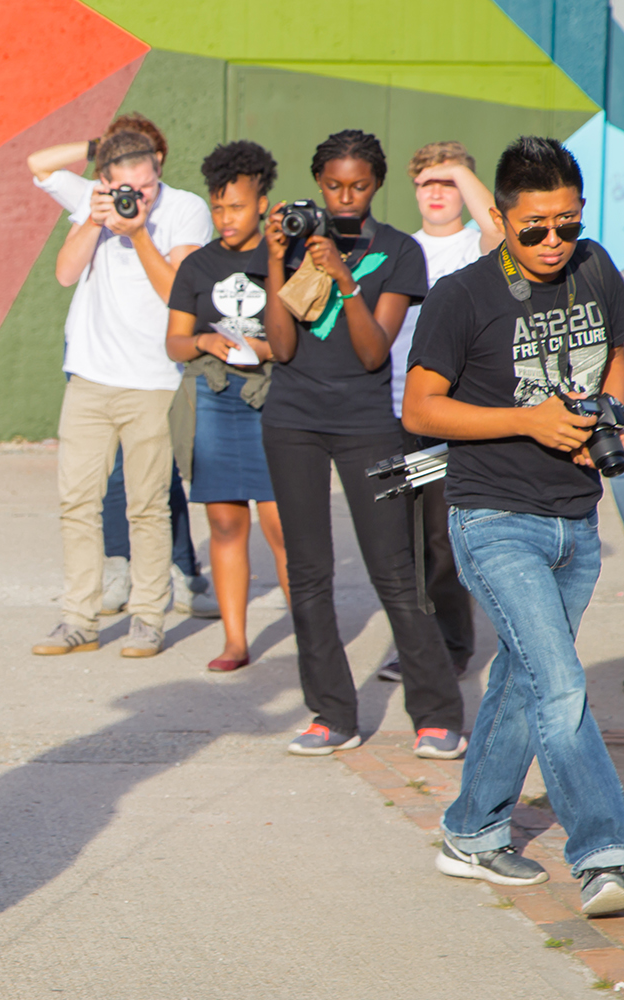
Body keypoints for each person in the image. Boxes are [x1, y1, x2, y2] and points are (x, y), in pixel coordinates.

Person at [402, 137, 624, 914]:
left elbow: (617, 350)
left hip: (575, 524)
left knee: (523, 680)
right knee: (561, 684)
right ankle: (605, 848)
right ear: (500, 218)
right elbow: (419, 407)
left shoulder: (595, 268)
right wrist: (528, 422)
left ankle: (472, 830)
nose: (553, 242)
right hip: (494, 518)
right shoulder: (464, 295)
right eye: (534, 229)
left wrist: (613, 414)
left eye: (567, 223)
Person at [259, 130, 465, 757]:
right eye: (333, 186)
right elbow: (284, 347)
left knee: (395, 573)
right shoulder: (291, 243)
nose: (345, 198)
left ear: (376, 185)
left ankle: (436, 714)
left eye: (359, 186)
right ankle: (331, 715)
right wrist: (277, 262)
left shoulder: (400, 252)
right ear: (317, 183)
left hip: (367, 425)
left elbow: (376, 352)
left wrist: (344, 278)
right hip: (290, 420)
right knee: (308, 571)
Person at [28, 128, 212, 658]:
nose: (141, 196)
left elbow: (179, 290)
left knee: (147, 507)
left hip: (153, 382)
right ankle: (78, 620)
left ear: (158, 172)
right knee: (76, 502)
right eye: (128, 187)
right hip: (89, 377)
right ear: (105, 182)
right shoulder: (94, 204)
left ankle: (148, 619)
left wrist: (137, 234)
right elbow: (65, 274)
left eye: (148, 185)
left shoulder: (185, 209)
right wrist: (94, 218)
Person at [378, 141, 502, 688]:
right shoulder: (401, 249)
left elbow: (500, 228)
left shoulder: (480, 247)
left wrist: (457, 167)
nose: (436, 191)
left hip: (444, 421)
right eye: (426, 181)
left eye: (447, 182)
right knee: (400, 538)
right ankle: (419, 647)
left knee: (438, 537)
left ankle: (453, 644)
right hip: (390, 413)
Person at [164, 141, 290, 672]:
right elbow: (174, 342)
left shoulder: (286, 256)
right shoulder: (198, 266)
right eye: (218, 208)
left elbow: (304, 333)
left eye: (236, 207)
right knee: (223, 522)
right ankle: (235, 642)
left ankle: (311, 631)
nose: (226, 218)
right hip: (215, 400)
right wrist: (204, 343)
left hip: (274, 398)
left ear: (262, 202)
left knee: (283, 525)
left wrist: (264, 349)